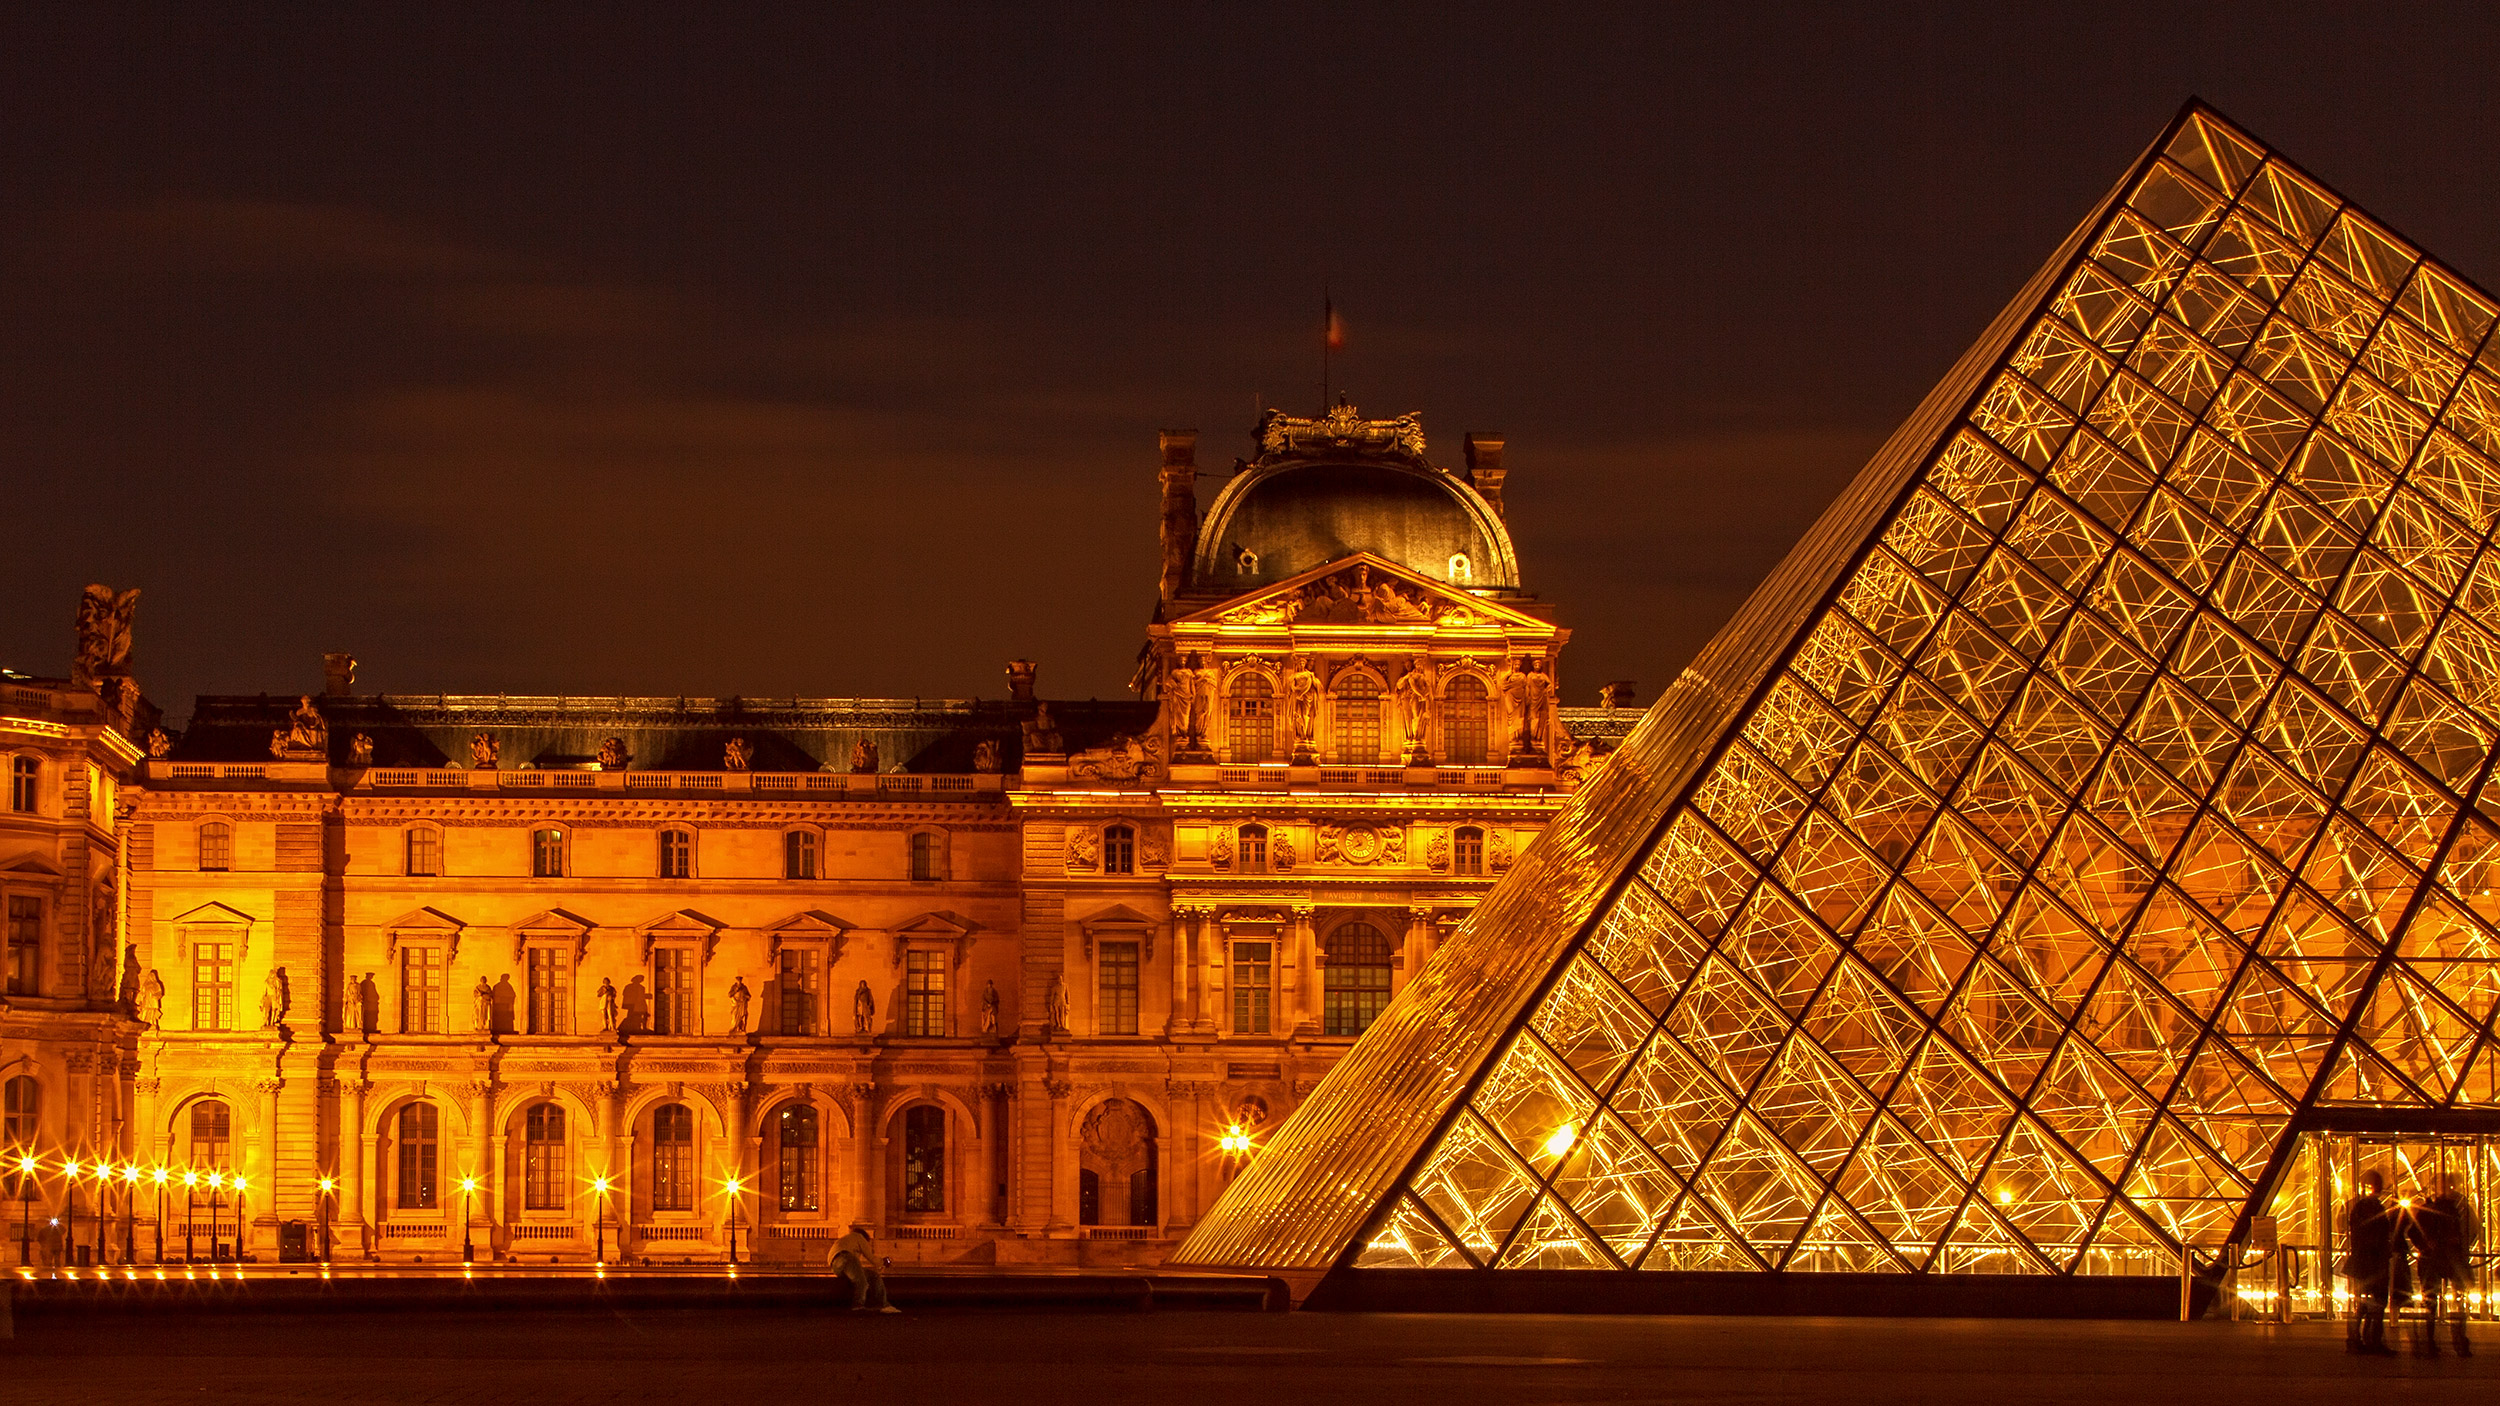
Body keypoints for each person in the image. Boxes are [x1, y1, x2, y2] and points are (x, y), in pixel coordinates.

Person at [2407, 1172, 2477, 1356]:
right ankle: (2455, 1341)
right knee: (2452, 1300)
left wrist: (2426, 1246)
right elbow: (2472, 1229)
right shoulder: (2457, 1210)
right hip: (2446, 1260)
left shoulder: (2432, 1209)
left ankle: (2430, 1342)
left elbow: (2413, 1232)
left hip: (2435, 1261)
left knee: (2434, 1300)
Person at [2345, 1170, 2397, 1355]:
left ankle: (2359, 1339)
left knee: (2364, 1303)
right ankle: (2370, 1340)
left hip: (2364, 1262)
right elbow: (2375, 1235)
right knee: (2375, 1303)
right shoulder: (2371, 1207)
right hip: (2372, 1262)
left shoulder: (2360, 1206)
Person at [828, 1223, 899, 1313]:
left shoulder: (845, 1240)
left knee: (874, 1276)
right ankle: (860, 1305)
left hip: (835, 1265)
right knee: (862, 1282)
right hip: (847, 1258)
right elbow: (871, 1258)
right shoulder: (859, 1237)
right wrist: (883, 1262)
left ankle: (880, 1304)